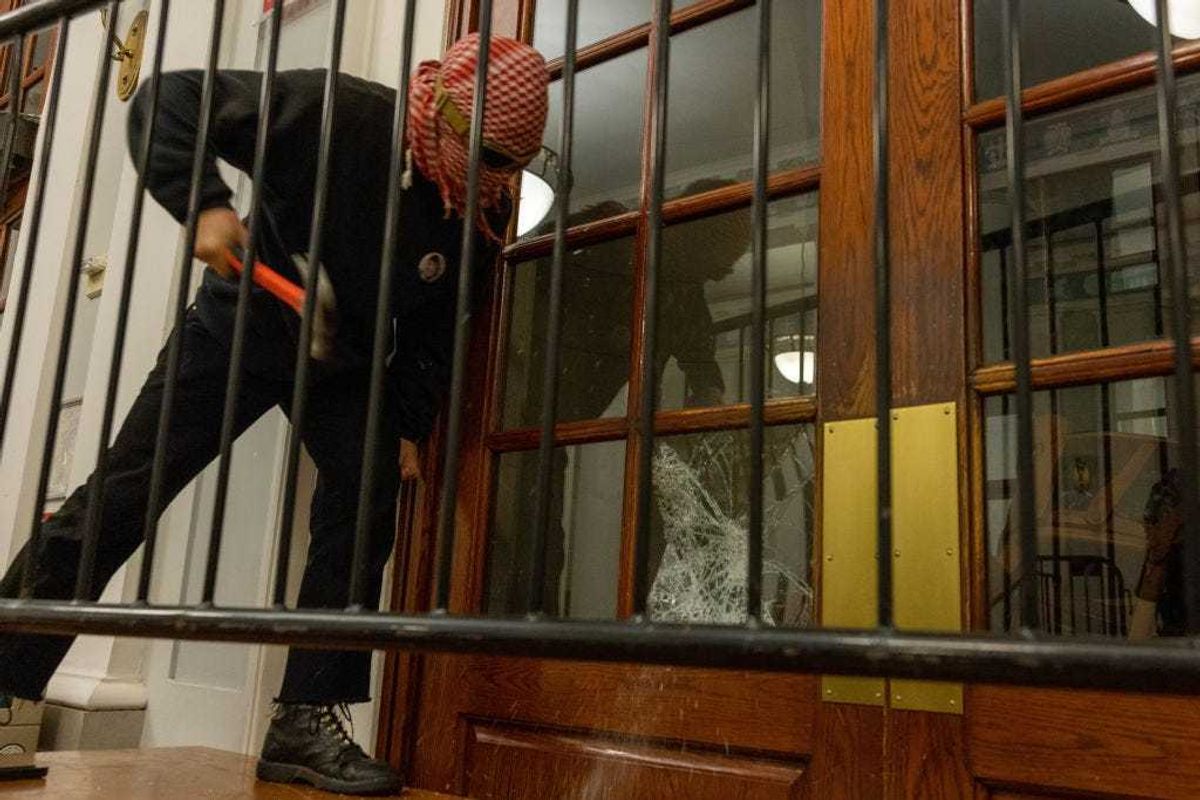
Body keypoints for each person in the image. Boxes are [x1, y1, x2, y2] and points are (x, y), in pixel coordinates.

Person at [0, 34, 548, 795]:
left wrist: (405, 426)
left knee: (365, 496)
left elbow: (432, 336)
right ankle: (2, 678)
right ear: (449, 114)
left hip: (339, 358)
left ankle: (303, 719)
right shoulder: (338, 114)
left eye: (514, 164)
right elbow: (168, 100)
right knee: (125, 492)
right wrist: (207, 208)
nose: (501, 180)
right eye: (491, 157)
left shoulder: (476, 213)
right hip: (240, 327)